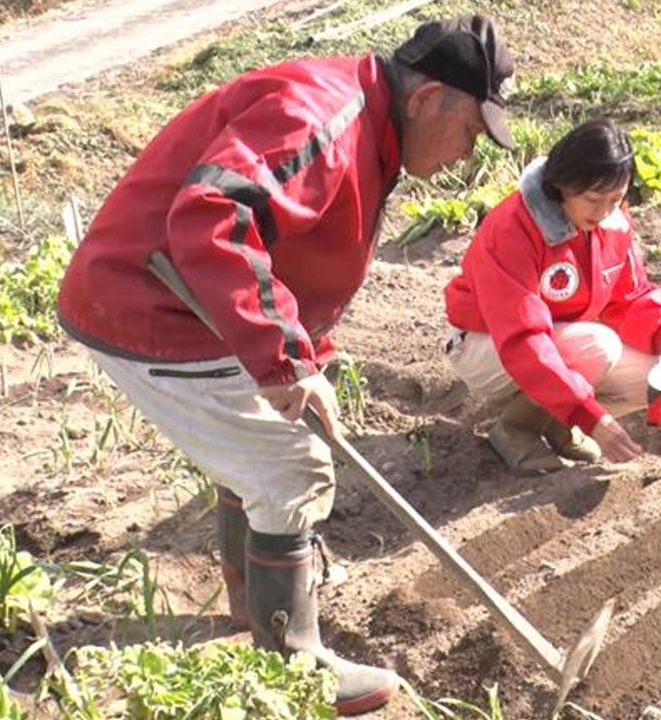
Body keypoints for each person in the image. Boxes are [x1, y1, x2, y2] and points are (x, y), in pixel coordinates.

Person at [56, 15, 515, 715]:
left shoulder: (367, 128)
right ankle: (291, 664)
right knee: (292, 466)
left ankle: (250, 606)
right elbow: (214, 215)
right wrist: (282, 361)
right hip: (154, 302)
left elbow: (286, 248)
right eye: (471, 134)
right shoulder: (323, 116)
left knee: (268, 445)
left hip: (187, 305)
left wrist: (306, 357)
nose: (465, 156)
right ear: (427, 101)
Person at [443, 119, 661, 475]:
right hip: (484, 343)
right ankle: (516, 430)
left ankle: (557, 424)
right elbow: (522, 336)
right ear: (562, 185)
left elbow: (629, 297)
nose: (604, 212)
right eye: (593, 200)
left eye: (615, 199)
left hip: (559, 341)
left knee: (657, 372)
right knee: (597, 346)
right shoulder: (513, 228)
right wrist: (589, 415)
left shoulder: (611, 221)